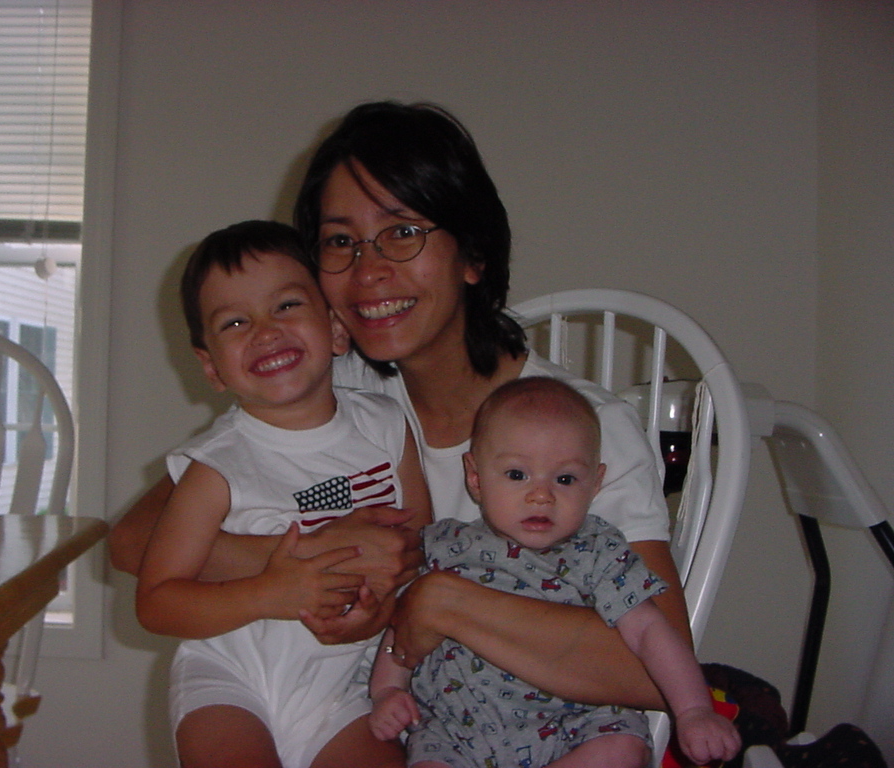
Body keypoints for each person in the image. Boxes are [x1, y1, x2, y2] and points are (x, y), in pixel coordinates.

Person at [111, 100, 688, 729]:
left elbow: (653, 673)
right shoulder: (333, 395)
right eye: (340, 242)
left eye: (403, 232)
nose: (369, 270)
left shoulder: (583, 428)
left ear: (472, 254)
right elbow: (134, 539)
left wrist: (440, 601)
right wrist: (322, 559)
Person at [134, 220, 432, 768]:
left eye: (287, 305)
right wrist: (268, 593)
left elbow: (417, 552)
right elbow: (156, 603)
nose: (265, 331)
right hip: (230, 681)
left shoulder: (387, 426)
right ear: (211, 367)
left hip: (345, 688)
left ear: (336, 329)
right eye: (235, 322)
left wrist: (381, 614)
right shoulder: (214, 466)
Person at [368, 377, 741, 768]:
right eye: (517, 474)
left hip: (573, 724)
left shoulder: (598, 552)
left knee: (622, 746)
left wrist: (694, 710)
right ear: (475, 477)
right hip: (458, 732)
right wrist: (387, 691)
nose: (541, 495)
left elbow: (650, 630)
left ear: (595, 484)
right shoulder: (445, 546)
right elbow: (404, 625)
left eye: (565, 479)